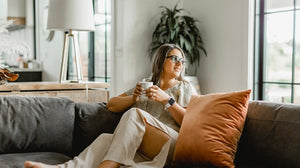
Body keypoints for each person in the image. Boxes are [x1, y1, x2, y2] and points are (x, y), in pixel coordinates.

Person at [24, 44, 197, 168]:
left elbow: (189, 122)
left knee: (134, 114)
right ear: (161, 60)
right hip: (144, 145)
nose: (180, 63)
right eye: (174, 58)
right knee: (106, 139)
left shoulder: (185, 87)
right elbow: (112, 105)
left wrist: (167, 100)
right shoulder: (146, 84)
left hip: (169, 144)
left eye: (182, 60)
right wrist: (133, 97)